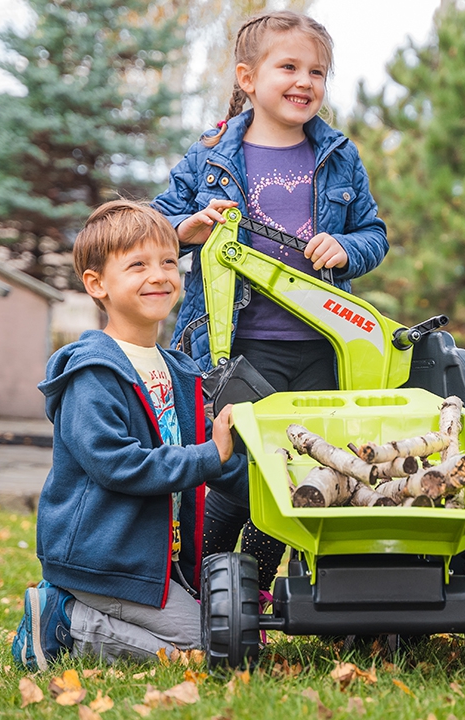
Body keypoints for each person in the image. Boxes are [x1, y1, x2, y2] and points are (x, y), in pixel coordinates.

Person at [153, 11, 388, 596]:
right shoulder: (209, 156)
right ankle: (194, 583)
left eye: (318, 72)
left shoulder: (337, 155)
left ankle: (252, 588)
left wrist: (347, 247)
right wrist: (188, 228)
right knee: (231, 471)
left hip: (319, 347)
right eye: (289, 67)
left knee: (294, 471)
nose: (305, 81)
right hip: (232, 348)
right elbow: (152, 224)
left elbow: (374, 233)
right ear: (247, 78)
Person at [12, 200, 247, 671]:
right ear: (97, 284)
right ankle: (65, 620)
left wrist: (264, 483)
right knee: (209, 651)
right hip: (102, 558)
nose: (158, 275)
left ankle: (86, 616)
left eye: (167, 261)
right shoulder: (91, 374)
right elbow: (117, 464)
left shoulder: (179, 371)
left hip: (150, 561)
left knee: (219, 635)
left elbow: (214, 456)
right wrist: (208, 454)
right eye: (137, 265)